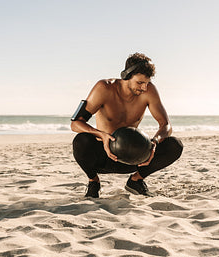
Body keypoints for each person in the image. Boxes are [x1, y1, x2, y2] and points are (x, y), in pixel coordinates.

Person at [70, 52, 183, 198]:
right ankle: (94, 181)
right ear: (126, 76)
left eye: (147, 83)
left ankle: (136, 180)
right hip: (105, 156)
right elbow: (76, 123)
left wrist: (155, 142)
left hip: (134, 158)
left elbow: (166, 125)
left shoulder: (149, 91)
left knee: (175, 145)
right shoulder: (104, 88)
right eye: (140, 83)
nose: (144, 88)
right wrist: (101, 135)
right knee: (81, 141)